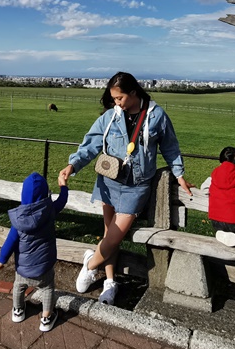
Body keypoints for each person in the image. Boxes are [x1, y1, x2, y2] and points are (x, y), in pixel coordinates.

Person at [59, 71, 193, 305]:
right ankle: (110, 282)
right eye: (113, 99)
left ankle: (90, 262)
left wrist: (179, 174)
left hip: (136, 186)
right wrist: (72, 165)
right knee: (109, 233)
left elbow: (170, 147)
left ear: (133, 93)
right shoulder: (111, 116)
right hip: (109, 181)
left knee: (114, 237)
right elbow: (90, 144)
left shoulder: (156, 115)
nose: (115, 102)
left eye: (119, 98)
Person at [0, 171, 68, 332]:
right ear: (46, 193)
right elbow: (62, 201)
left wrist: (1, 260)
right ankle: (46, 318)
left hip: (23, 268)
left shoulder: (19, 221)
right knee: (48, 289)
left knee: (18, 287)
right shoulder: (50, 211)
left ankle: (18, 310)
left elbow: (10, 242)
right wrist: (63, 186)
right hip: (44, 267)